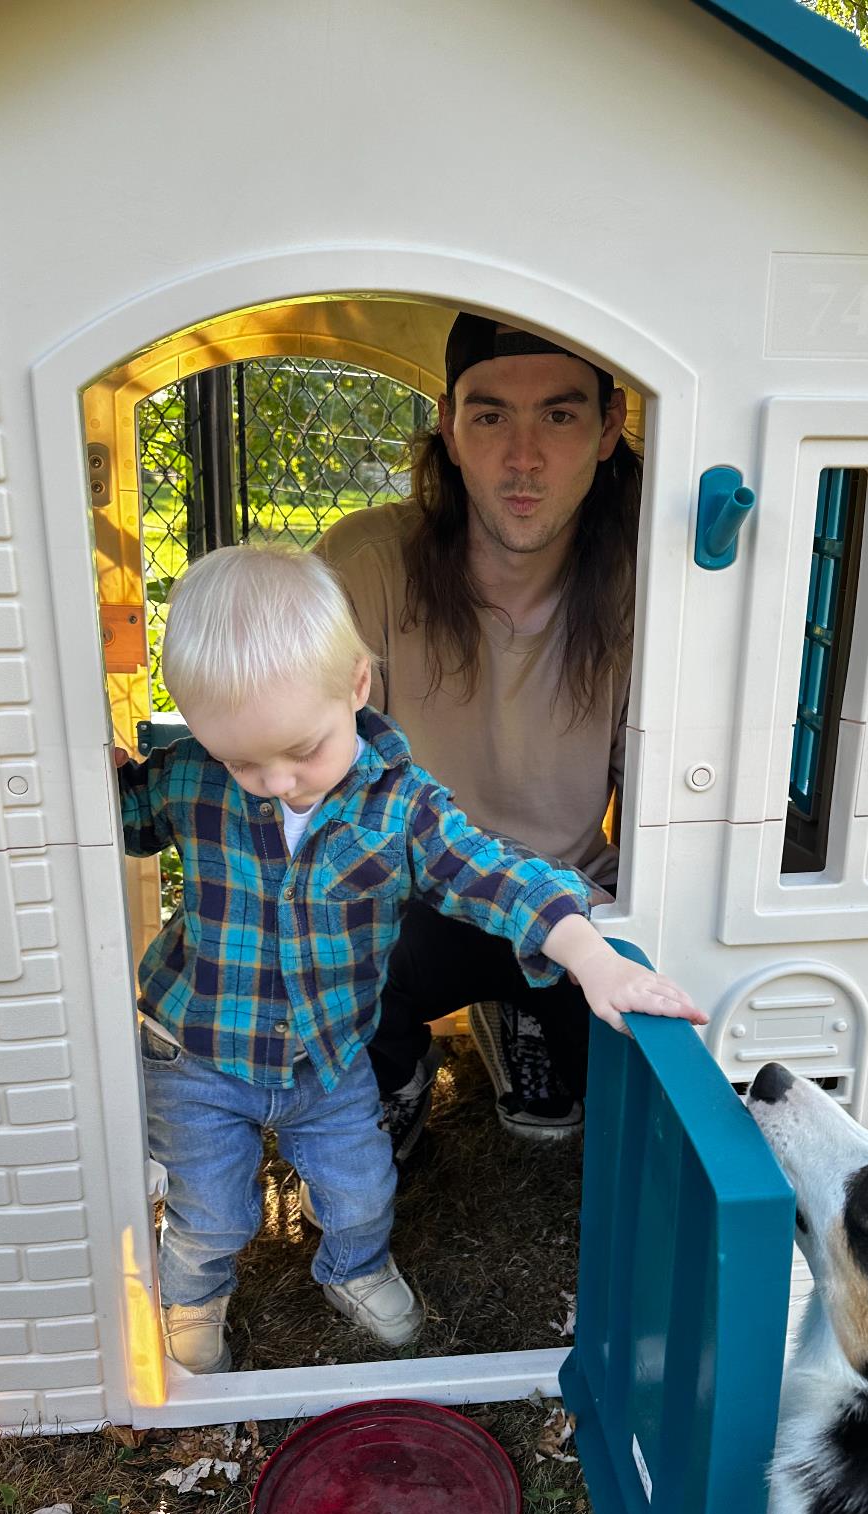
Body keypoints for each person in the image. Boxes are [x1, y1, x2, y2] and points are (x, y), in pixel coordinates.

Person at [116, 546, 705, 1375]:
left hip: (328, 1057)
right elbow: (121, 816)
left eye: (303, 749)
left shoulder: (400, 805)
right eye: (242, 761)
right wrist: (96, 768)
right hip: (197, 1051)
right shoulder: (189, 777)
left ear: (357, 685)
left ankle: (354, 1265)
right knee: (210, 1207)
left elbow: (493, 871)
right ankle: (194, 1290)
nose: (277, 781)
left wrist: (589, 953)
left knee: (361, 1189)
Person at [317, 312, 640, 1155]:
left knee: (636, 1101)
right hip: (411, 899)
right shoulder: (366, 565)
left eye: (559, 415)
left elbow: (671, 796)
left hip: (568, 896)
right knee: (320, 919)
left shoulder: (647, 583)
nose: (523, 456)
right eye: (492, 415)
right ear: (451, 429)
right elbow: (316, 792)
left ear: (609, 427)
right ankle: (395, 1068)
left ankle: (527, 1006)